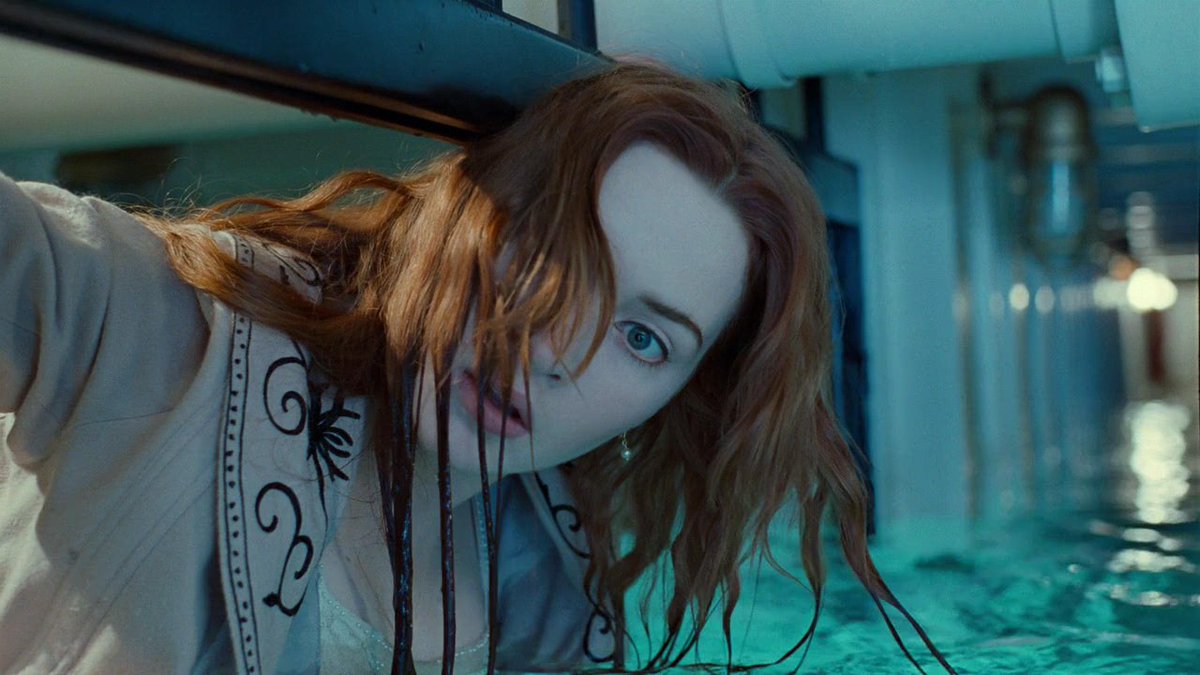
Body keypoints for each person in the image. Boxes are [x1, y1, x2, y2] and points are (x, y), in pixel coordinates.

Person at [0, 60, 954, 673]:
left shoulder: (548, 573)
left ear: (677, 399)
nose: (551, 347)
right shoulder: (173, 335)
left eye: (643, 338)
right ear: (464, 206)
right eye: (550, 250)